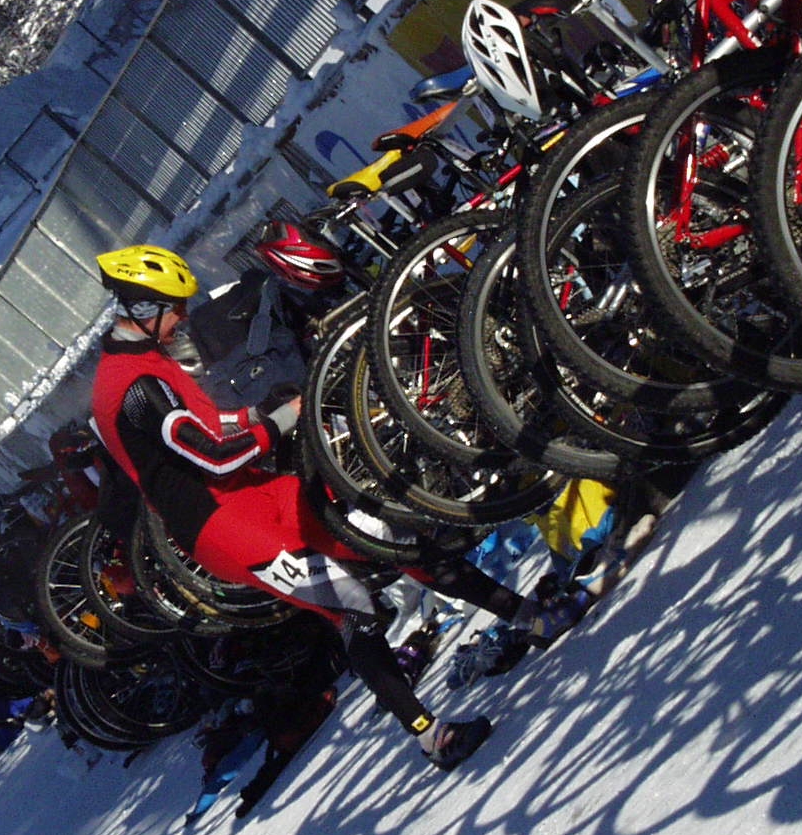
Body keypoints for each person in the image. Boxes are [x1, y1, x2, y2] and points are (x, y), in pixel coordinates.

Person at [89, 244, 556, 772]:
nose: (184, 317)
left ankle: (531, 618)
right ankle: (431, 737)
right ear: (141, 309)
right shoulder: (134, 388)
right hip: (224, 528)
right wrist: (285, 416)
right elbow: (217, 457)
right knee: (351, 606)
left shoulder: (140, 362)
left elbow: (207, 426)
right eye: (176, 307)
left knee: (392, 541)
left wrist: (259, 409)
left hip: (257, 495)